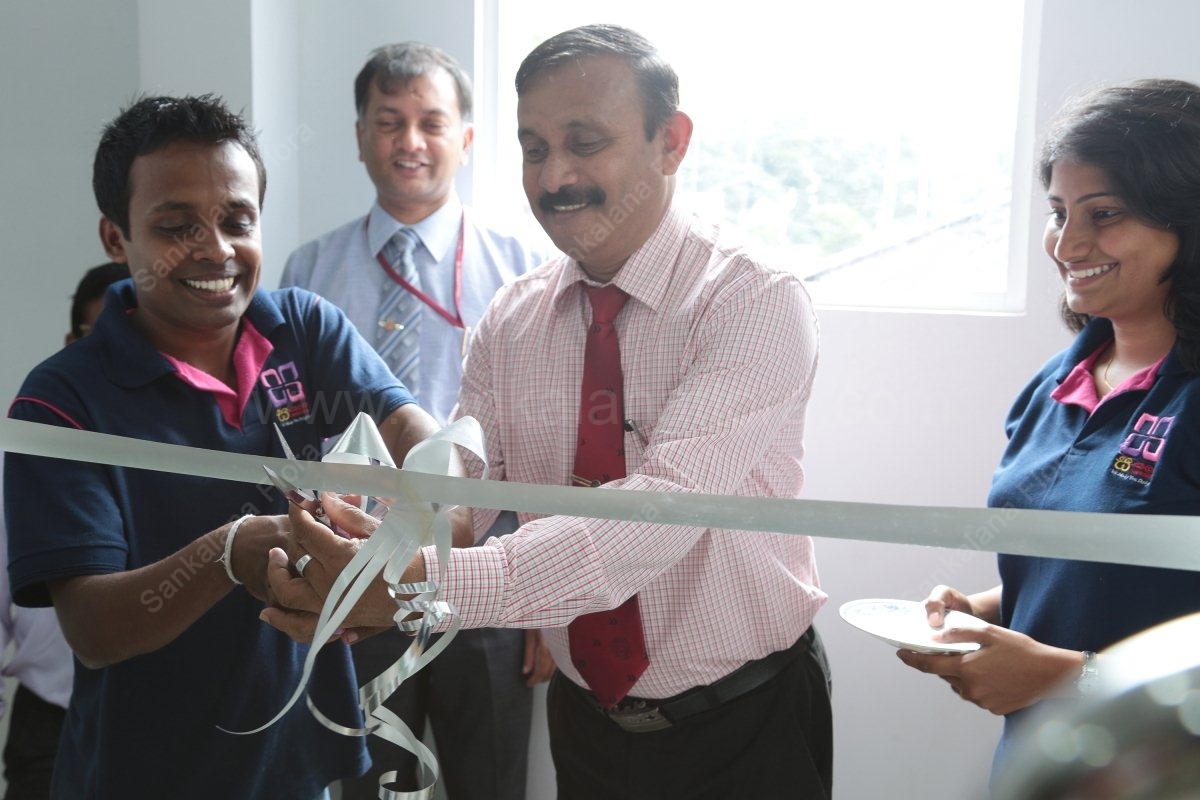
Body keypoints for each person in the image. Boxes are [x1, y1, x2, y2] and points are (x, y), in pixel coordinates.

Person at [266, 24, 831, 800]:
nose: (555, 176)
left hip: (743, 724)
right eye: (534, 149)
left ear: (671, 142)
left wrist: (420, 585)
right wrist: (372, 553)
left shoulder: (752, 301)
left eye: (584, 143)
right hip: (587, 721)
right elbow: (462, 489)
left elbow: (657, 514)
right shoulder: (513, 318)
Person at [3, 94, 460, 800]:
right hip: (142, 773)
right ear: (116, 238)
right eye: (176, 227)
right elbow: (92, 631)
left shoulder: (301, 330)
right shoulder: (59, 402)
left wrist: (430, 515)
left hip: (296, 764)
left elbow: (416, 437)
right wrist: (228, 552)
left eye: (238, 221)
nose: (216, 249)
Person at [896, 78, 1200, 781]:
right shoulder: (1057, 384)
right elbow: (1097, 576)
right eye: (1058, 212)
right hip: (1047, 771)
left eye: (1105, 213)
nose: (1068, 243)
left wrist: (1067, 677)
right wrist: (980, 612)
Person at [279, 42, 545, 800]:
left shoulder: (522, 268)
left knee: (490, 781)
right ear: (360, 135)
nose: (410, 142)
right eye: (389, 121)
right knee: (369, 782)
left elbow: (539, 440)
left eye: (432, 122)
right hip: (355, 567)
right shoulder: (307, 275)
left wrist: (544, 604)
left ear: (466, 138)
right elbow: (295, 433)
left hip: (488, 573)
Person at [0, 262, 127, 800]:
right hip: (52, 725)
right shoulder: (26, 457)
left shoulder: (212, 453)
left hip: (183, 726)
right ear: (71, 343)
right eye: (100, 337)